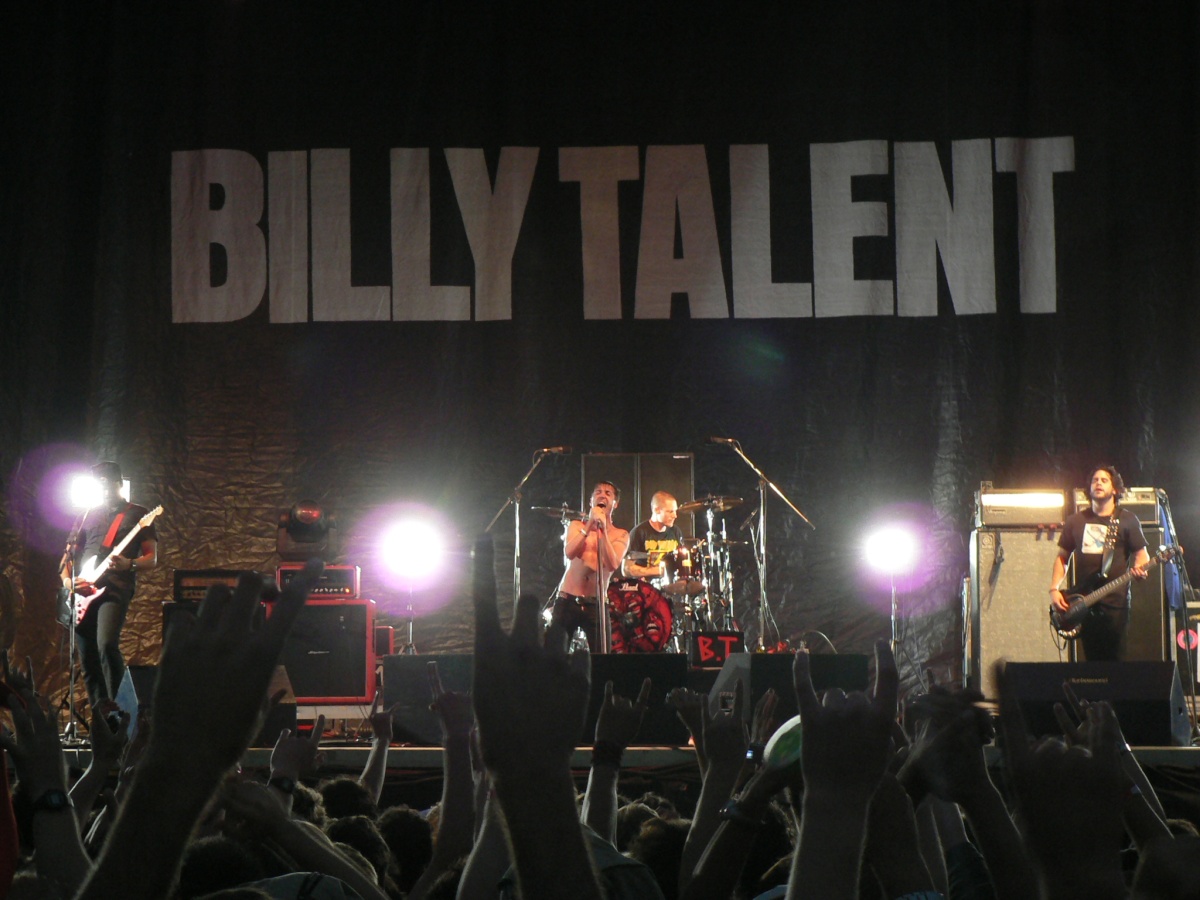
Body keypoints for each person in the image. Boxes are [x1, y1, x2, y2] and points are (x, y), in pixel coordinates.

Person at [60, 460, 159, 712]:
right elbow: (65, 563)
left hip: (115, 589)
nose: (102, 489)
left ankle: (122, 711)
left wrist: (129, 564)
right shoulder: (86, 515)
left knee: (105, 644)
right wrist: (70, 584)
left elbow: (152, 559)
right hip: (82, 593)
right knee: (88, 658)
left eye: (104, 483)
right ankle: (101, 718)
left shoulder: (138, 514)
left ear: (118, 483)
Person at [1050, 464, 1149, 661]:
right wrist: (1054, 589)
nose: (1098, 483)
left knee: (1115, 662)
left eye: (1104, 480)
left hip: (1115, 604)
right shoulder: (1076, 521)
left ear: (1115, 489)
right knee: (1091, 663)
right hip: (1084, 603)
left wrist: (1140, 568)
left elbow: (1141, 554)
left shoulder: (1127, 520)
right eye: (1095, 480)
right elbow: (1062, 557)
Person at [549, 481, 629, 651]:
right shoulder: (576, 526)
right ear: (591, 501)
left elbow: (613, 564)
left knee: (601, 658)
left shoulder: (621, 534)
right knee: (556, 655)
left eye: (608, 493)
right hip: (568, 599)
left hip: (596, 604)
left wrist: (603, 530)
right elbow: (570, 552)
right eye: (598, 492)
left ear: (615, 503)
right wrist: (589, 524)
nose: (602, 495)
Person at [622, 491, 688, 587]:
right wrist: (660, 570)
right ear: (657, 510)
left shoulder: (676, 531)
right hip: (647, 588)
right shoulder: (639, 532)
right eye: (670, 511)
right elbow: (626, 569)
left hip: (672, 587)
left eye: (675, 511)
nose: (675, 515)